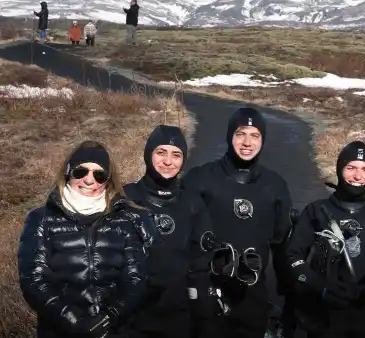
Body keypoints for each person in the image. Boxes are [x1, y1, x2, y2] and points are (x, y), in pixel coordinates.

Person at [17, 140, 155, 338]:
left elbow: (136, 278)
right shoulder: (41, 219)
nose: (89, 180)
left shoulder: (124, 219)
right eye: (81, 172)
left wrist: (110, 317)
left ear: (108, 180)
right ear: (68, 172)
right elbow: (33, 280)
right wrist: (74, 322)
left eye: (99, 175)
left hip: (115, 331)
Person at [183, 107, 293, 338]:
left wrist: (289, 293)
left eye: (255, 135)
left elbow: (281, 244)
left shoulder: (275, 186)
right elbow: (181, 240)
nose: (247, 142)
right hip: (207, 290)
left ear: (263, 140)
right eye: (240, 133)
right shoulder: (200, 179)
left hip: (252, 295)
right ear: (229, 136)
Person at [285, 141, 365, 338]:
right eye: (351, 167)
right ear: (339, 169)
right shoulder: (316, 211)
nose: (358, 176)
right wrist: (318, 286)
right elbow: (292, 257)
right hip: (324, 316)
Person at [124, 125, 214, 338]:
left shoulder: (191, 202)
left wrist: (201, 300)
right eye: (161, 152)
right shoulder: (126, 197)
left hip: (177, 315)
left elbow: (201, 257)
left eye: (176, 155)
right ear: (148, 154)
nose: (168, 161)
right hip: (130, 315)